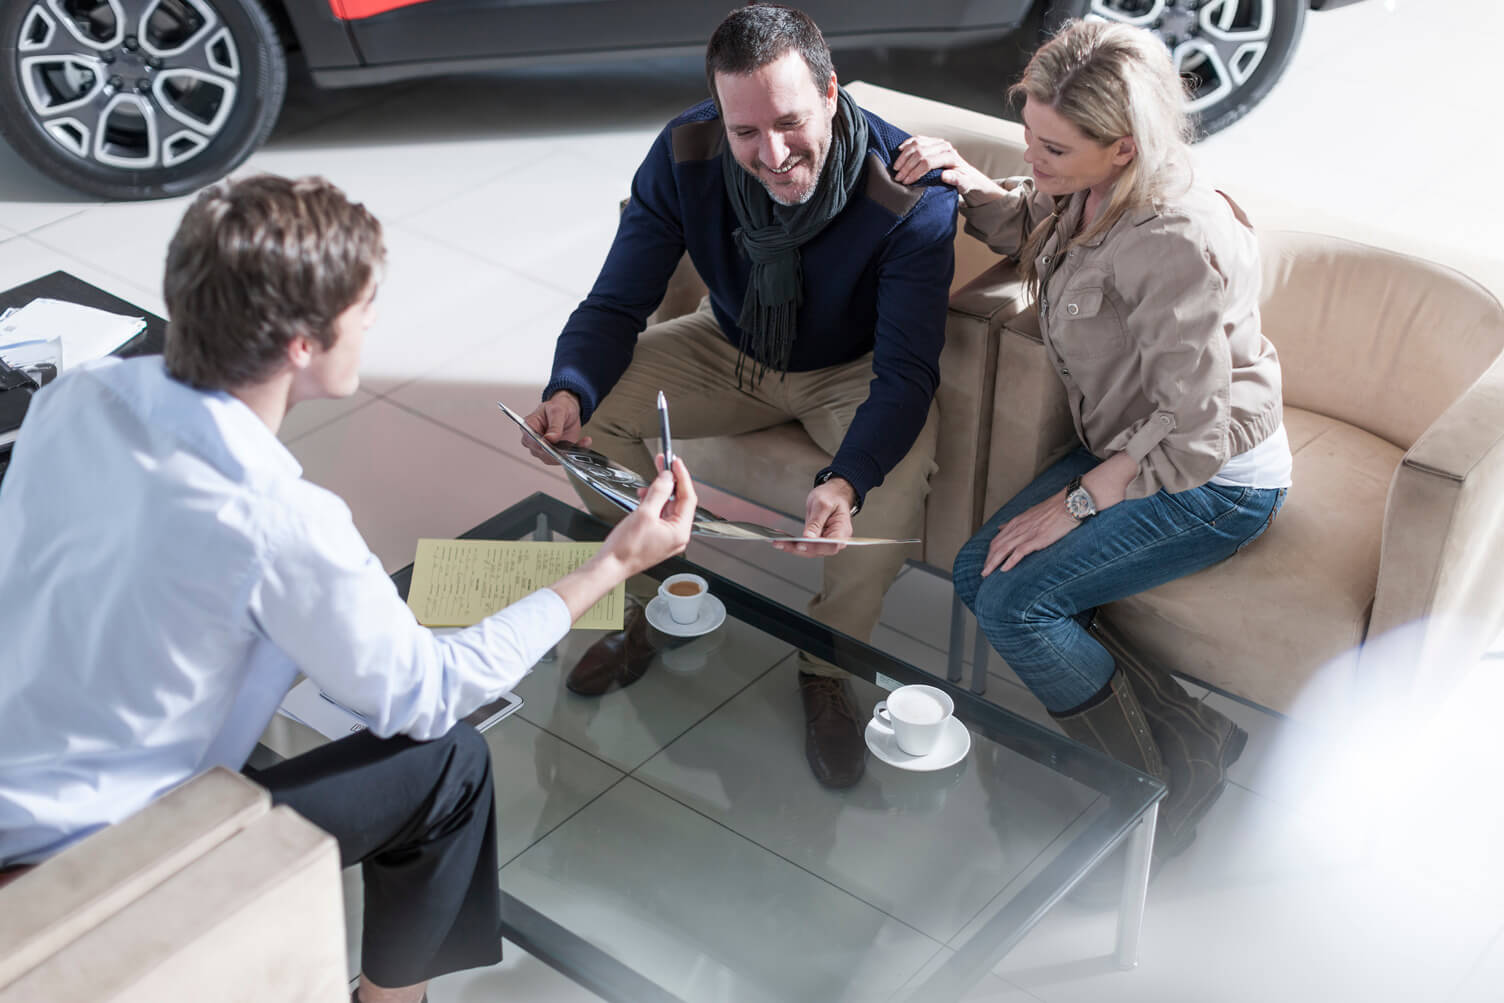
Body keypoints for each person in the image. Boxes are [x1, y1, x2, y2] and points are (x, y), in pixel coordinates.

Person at [0, 175, 697, 1003]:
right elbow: (430, 695)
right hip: (96, 858)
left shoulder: (73, 396)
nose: (371, 324)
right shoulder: (276, 516)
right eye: (364, 308)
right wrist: (613, 562)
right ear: (303, 342)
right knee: (450, 764)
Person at [522, 2, 957, 789]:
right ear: (718, 114)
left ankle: (827, 665)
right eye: (745, 131)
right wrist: (568, 389)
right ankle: (659, 601)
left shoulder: (909, 189)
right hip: (728, 342)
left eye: (789, 122)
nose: (772, 152)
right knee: (593, 423)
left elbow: (906, 374)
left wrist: (847, 476)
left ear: (831, 94)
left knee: (896, 478)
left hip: (854, 368)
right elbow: (616, 303)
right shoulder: (684, 152)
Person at [893, 19, 1291, 870]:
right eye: (1029, 135)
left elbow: (1194, 430)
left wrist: (1079, 501)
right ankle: (1191, 739)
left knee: (1015, 601)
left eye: (1053, 148)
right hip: (1137, 444)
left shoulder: (1172, 240)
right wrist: (967, 183)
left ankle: (1148, 798)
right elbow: (1033, 225)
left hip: (1212, 475)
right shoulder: (1089, 188)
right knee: (978, 570)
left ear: (1122, 148)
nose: (1033, 157)